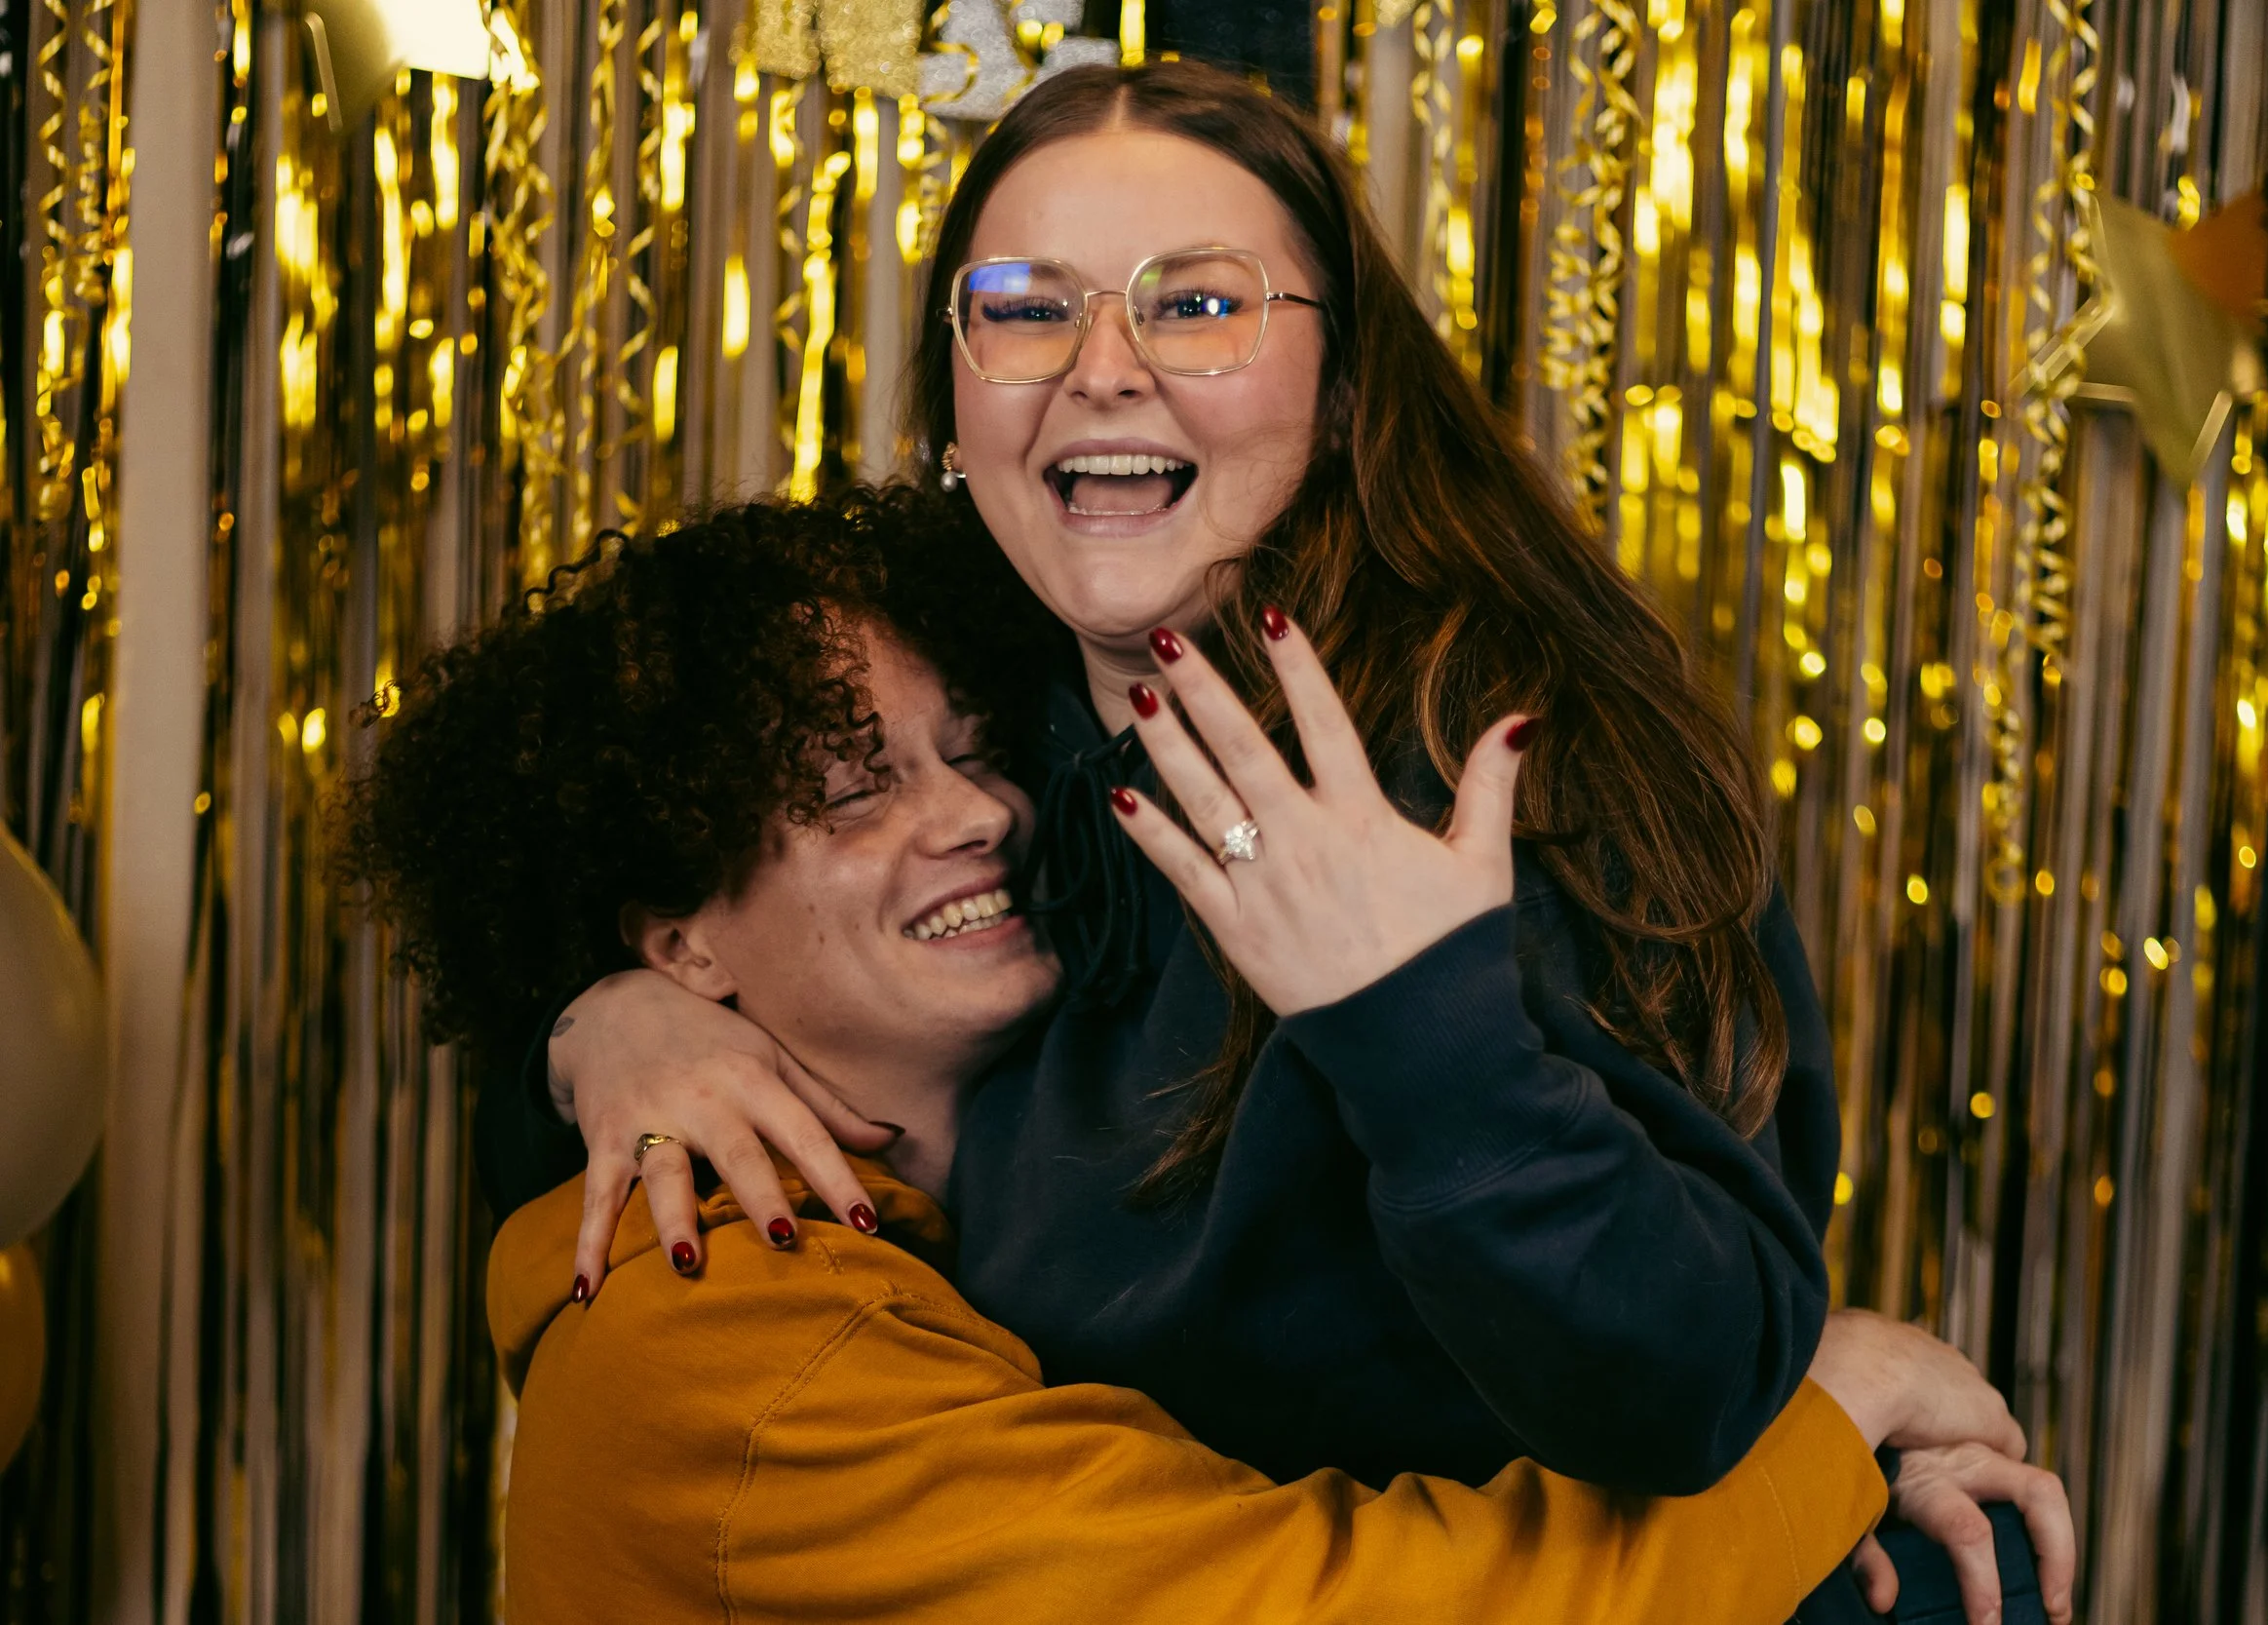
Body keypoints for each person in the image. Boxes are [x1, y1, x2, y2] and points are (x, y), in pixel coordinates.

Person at [494, 62, 2064, 1623]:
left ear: (1345, 385)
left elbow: (1685, 1390)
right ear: (956, 397)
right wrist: (607, 1027)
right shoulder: (1001, 713)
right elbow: (672, 877)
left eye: (1196, 306)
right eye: (1028, 306)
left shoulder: (1485, 767)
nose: (1101, 367)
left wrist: (1421, 1029)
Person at [339, 494, 2071, 1622]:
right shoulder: (745, 1337)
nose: (980, 817)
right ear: (678, 938)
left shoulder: (1003, 1149)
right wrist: (1827, 1408)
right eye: (857, 789)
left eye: (968, 752)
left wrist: (597, 1029)